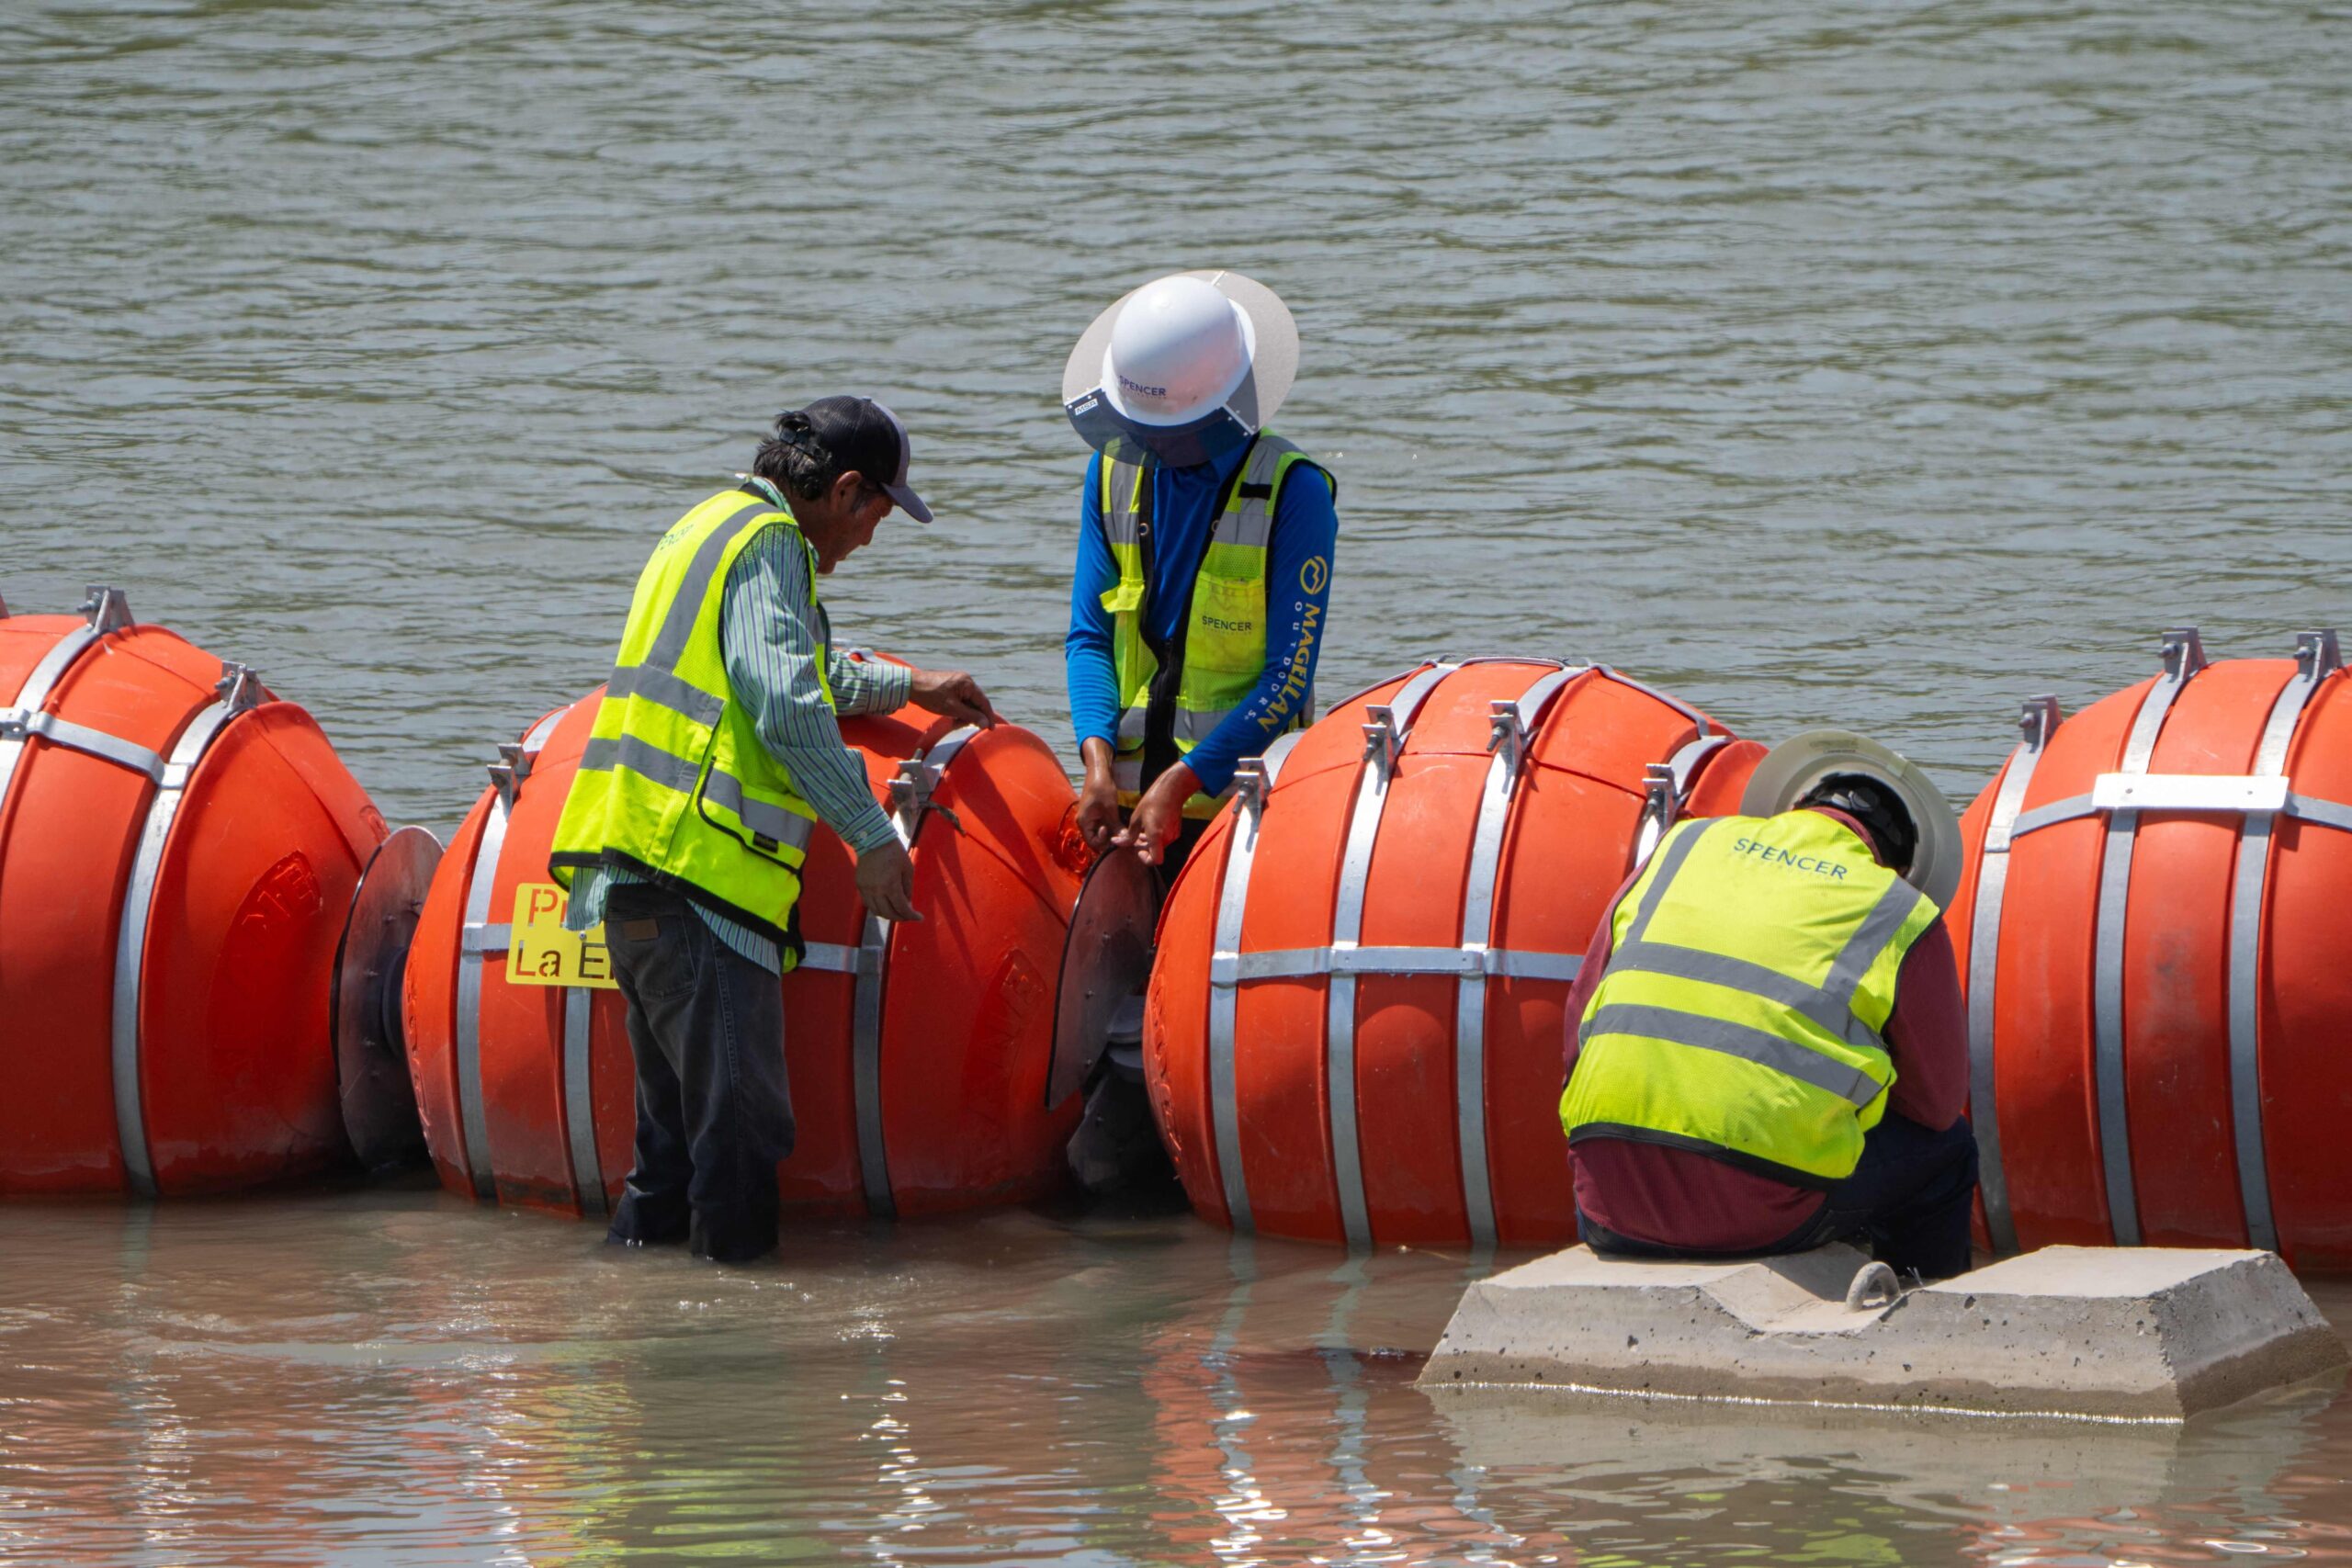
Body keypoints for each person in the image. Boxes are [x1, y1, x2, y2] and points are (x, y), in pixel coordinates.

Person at [550, 397, 1000, 1264]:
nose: (868, 540)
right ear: (845, 490)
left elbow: (782, 661)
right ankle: (732, 1361)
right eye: (876, 516)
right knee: (741, 1141)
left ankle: (637, 1326)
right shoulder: (773, 546)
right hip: (701, 883)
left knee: (672, 1153)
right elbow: (787, 701)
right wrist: (871, 836)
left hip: (629, 866)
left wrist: (907, 684)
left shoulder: (707, 525)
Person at [1558, 772, 1978, 1280]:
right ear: (1900, 865)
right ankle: (1913, 1323)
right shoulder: (1900, 909)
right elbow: (1937, 1104)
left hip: (1606, 1203)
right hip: (1757, 1218)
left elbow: (1580, 1016)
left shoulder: (1683, 846)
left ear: (1794, 806)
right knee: (1948, 1151)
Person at [1061, 270, 1340, 874]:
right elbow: (1088, 637)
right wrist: (1097, 763)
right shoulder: (1111, 475)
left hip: (1240, 808)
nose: (1149, 449)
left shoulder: (1294, 493)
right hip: (1125, 803)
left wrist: (1183, 782)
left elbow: (1286, 680)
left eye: (1167, 435)